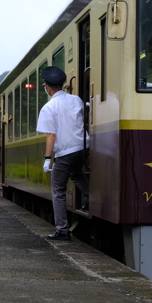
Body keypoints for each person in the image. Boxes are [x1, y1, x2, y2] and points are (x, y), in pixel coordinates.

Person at [36, 66, 89, 241]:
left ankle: (62, 230)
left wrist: (47, 159)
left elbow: (51, 135)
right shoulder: (76, 100)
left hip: (65, 153)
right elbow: (84, 113)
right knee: (77, 174)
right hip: (83, 148)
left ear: (47, 87)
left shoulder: (49, 107)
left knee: (58, 190)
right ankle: (92, 197)